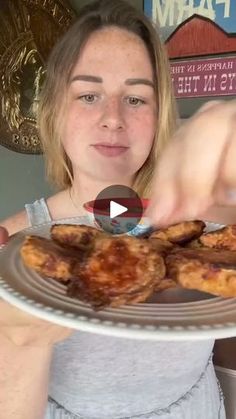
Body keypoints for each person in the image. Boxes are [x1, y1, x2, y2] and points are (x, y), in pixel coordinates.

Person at [0, 0, 235, 417]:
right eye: (89, 94)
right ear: (54, 111)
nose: (113, 118)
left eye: (136, 98)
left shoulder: (209, 225)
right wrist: (18, 344)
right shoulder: (13, 247)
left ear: (161, 112)